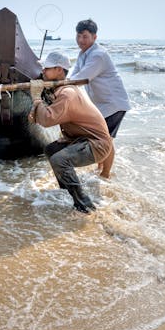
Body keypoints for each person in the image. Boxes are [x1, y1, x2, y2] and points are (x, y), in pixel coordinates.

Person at [29, 51, 113, 213]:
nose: (43, 72)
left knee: (60, 159)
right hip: (82, 139)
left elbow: (46, 120)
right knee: (51, 149)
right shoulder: (62, 90)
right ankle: (66, 190)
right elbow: (36, 118)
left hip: (97, 145)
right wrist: (38, 102)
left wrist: (36, 99)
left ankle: (84, 205)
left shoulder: (67, 94)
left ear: (59, 70)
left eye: (47, 68)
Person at [68, 18, 130, 178]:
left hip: (113, 104)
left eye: (85, 36)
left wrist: (59, 85)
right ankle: (100, 168)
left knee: (106, 140)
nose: (80, 40)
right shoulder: (82, 54)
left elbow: (81, 78)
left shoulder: (98, 55)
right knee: (100, 138)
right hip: (101, 105)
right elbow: (72, 76)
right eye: (78, 36)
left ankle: (106, 174)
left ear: (94, 37)